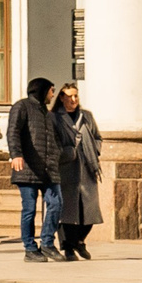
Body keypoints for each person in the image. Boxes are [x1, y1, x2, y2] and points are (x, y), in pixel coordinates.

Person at [7, 77, 63, 261]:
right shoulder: (21, 107)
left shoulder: (47, 113)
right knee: (29, 209)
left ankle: (47, 243)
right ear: (42, 90)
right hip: (27, 169)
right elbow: (13, 131)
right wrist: (16, 154)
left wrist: (57, 153)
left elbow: (54, 139)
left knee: (56, 204)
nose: (53, 94)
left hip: (49, 169)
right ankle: (30, 249)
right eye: (51, 90)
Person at [50, 83, 105, 260]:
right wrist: (67, 152)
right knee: (66, 211)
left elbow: (97, 137)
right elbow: (53, 142)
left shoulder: (86, 116)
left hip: (87, 168)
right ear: (61, 97)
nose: (73, 100)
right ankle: (67, 247)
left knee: (88, 210)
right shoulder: (54, 118)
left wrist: (93, 150)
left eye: (76, 96)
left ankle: (80, 241)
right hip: (66, 169)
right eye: (69, 96)